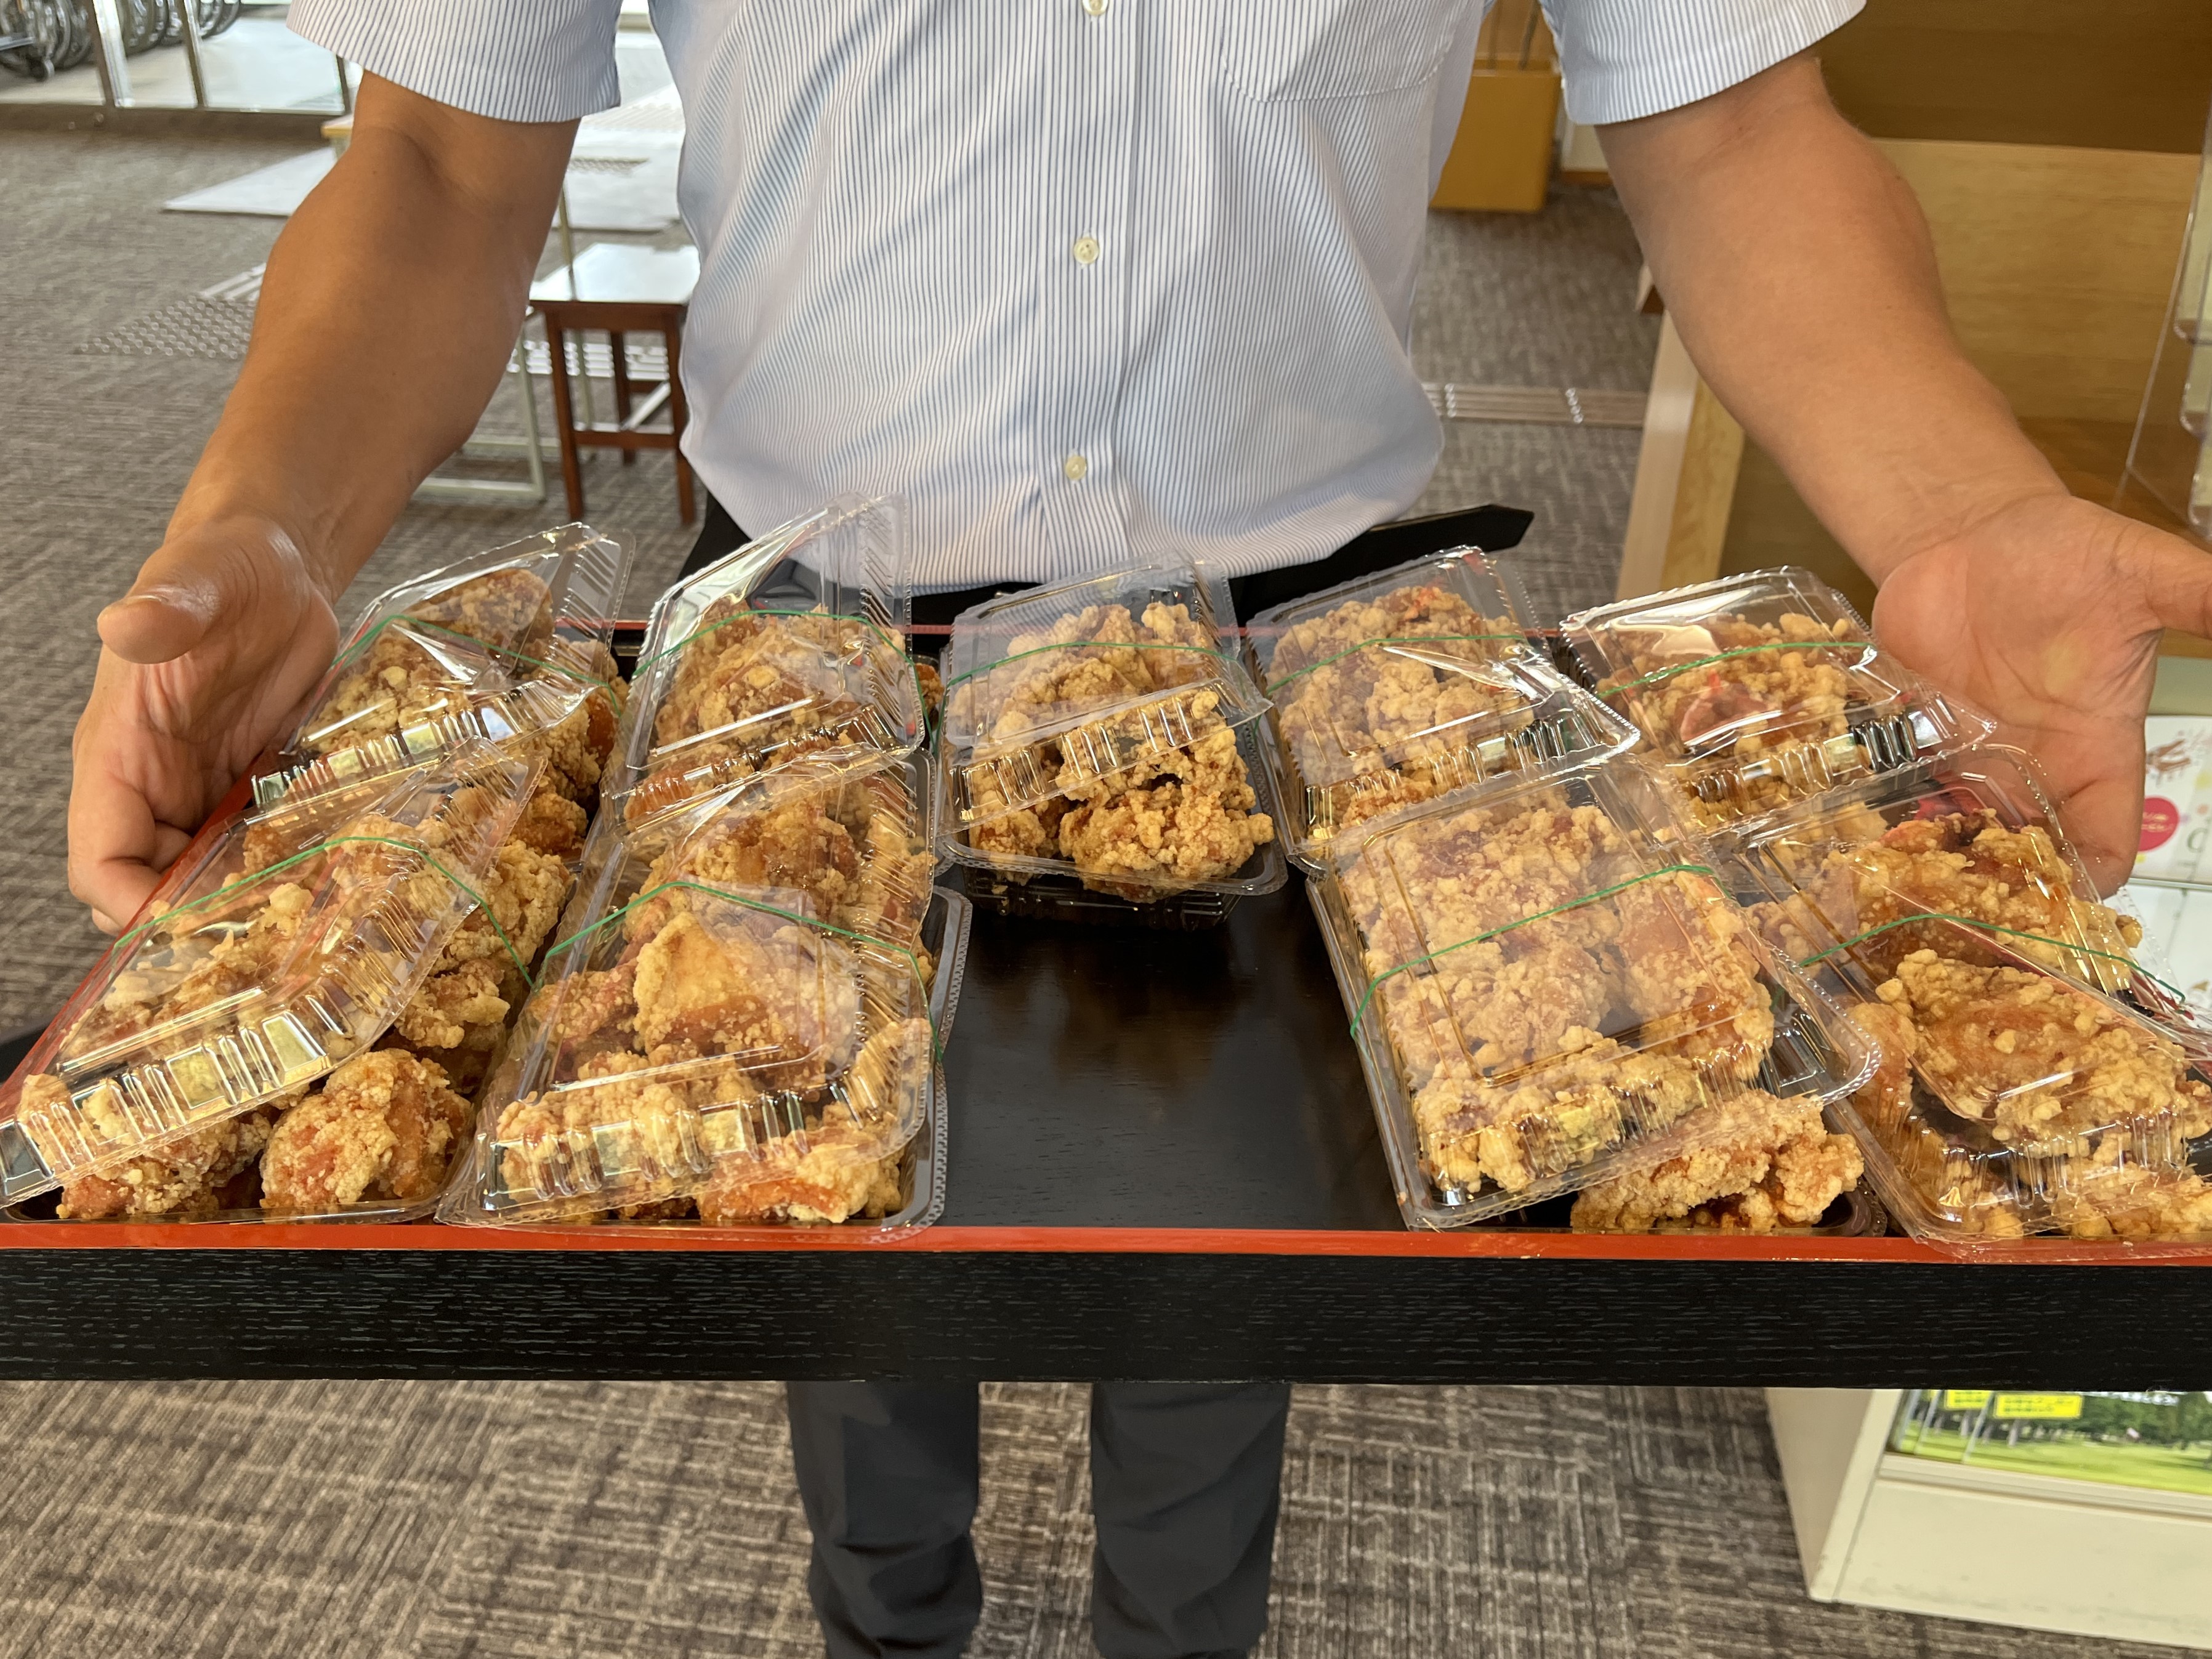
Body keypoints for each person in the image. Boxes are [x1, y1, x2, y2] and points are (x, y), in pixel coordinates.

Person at [63, 3, 2211, 1655]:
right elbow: (440, 147)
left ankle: (1177, 1638)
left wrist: (1961, 510)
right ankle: (889, 1623)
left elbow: (1727, 112)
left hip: (1298, 659)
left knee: (1226, 1257)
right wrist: (260, 529)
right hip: (819, 636)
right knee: (815, 1202)